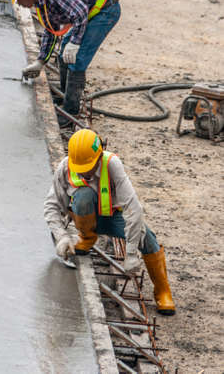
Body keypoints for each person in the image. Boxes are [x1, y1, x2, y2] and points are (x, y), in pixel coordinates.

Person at [44, 128, 176, 316]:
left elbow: (134, 209)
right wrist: (62, 237)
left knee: (148, 239)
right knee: (82, 196)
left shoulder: (112, 164)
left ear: (98, 157)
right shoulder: (66, 167)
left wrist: (130, 253)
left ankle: (163, 291)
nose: (84, 173)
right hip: (83, 221)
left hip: (112, 217)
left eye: (88, 168)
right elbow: (51, 205)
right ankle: (86, 239)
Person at [3, 0, 121, 127]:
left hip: (105, 10)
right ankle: (67, 97)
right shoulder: (40, 2)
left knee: (77, 58)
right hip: (91, 13)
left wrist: (75, 43)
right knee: (63, 51)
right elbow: (51, 31)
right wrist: (40, 62)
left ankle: (70, 112)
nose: (18, 3)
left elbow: (80, 13)